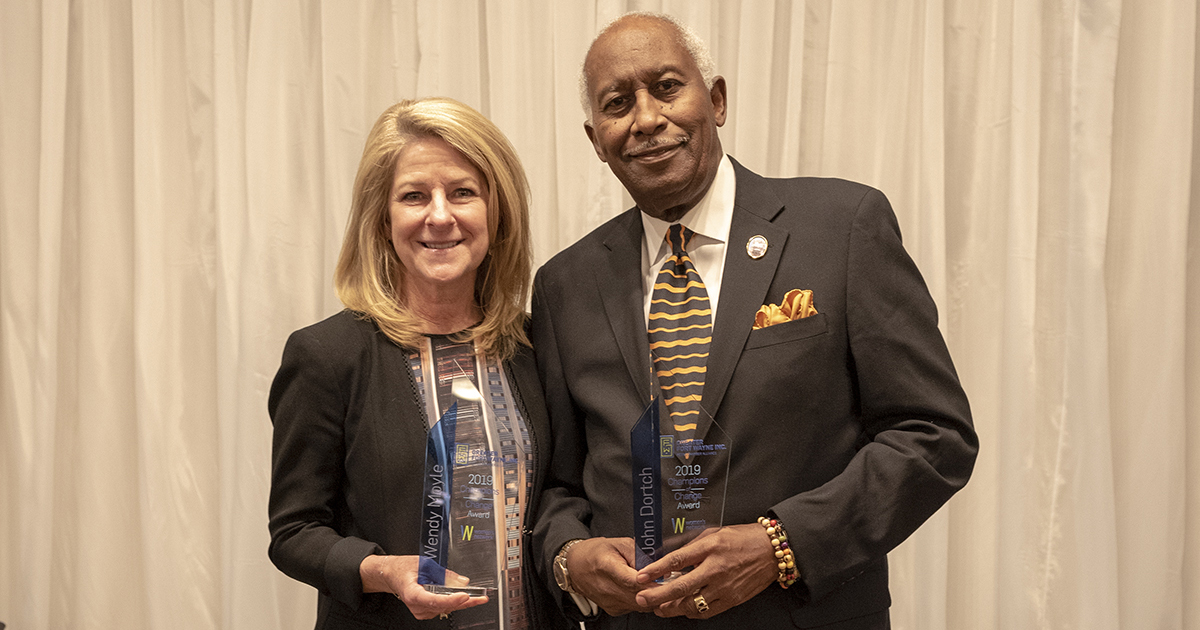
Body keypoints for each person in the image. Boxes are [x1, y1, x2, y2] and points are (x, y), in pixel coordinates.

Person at [531, 12, 978, 630]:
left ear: (715, 99)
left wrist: (779, 546)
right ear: (595, 138)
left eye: (666, 87)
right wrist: (566, 555)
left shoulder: (842, 228)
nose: (646, 119)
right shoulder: (563, 285)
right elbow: (555, 482)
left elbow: (934, 435)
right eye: (617, 103)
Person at [269, 97, 568, 630]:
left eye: (462, 192)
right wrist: (386, 570)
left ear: (496, 212)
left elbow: (562, 497)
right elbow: (294, 532)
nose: (439, 215)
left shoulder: (536, 346)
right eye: (413, 196)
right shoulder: (327, 355)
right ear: (382, 220)